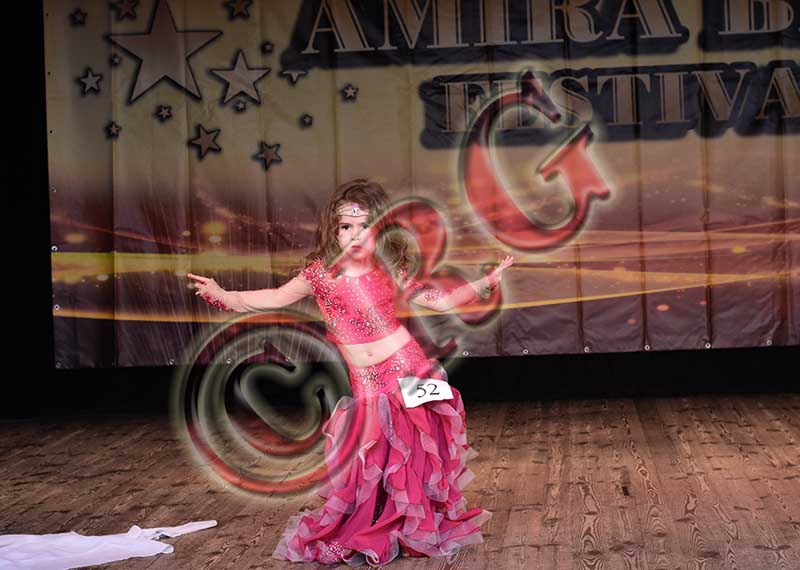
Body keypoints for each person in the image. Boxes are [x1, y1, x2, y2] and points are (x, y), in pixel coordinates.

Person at [187, 179, 513, 566]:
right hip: (366, 382)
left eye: (365, 226)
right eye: (346, 226)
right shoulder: (318, 274)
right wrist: (224, 296)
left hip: (408, 368)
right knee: (372, 454)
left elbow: (440, 302)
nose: (356, 235)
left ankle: (413, 524)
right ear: (333, 231)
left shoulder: (389, 269)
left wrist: (484, 284)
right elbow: (275, 297)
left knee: (410, 453)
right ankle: (379, 523)